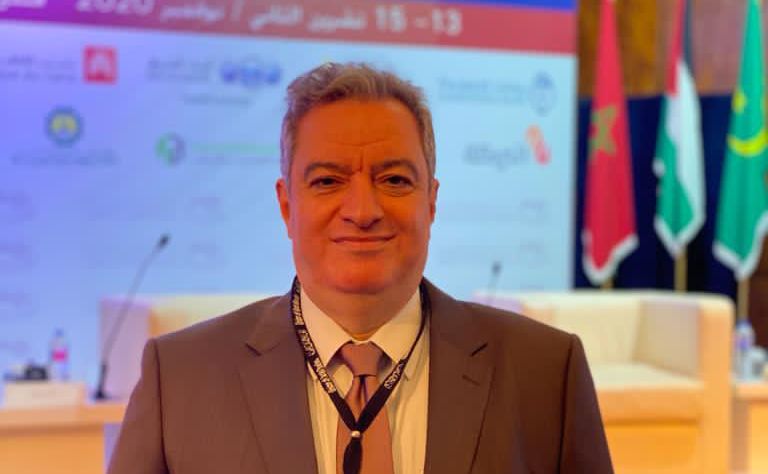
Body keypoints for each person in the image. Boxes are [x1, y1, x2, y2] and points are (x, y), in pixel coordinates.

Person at [107, 62, 613, 474]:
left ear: (431, 202)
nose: (363, 210)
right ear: (286, 205)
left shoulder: (547, 373)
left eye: (394, 180)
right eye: (328, 182)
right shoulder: (180, 378)